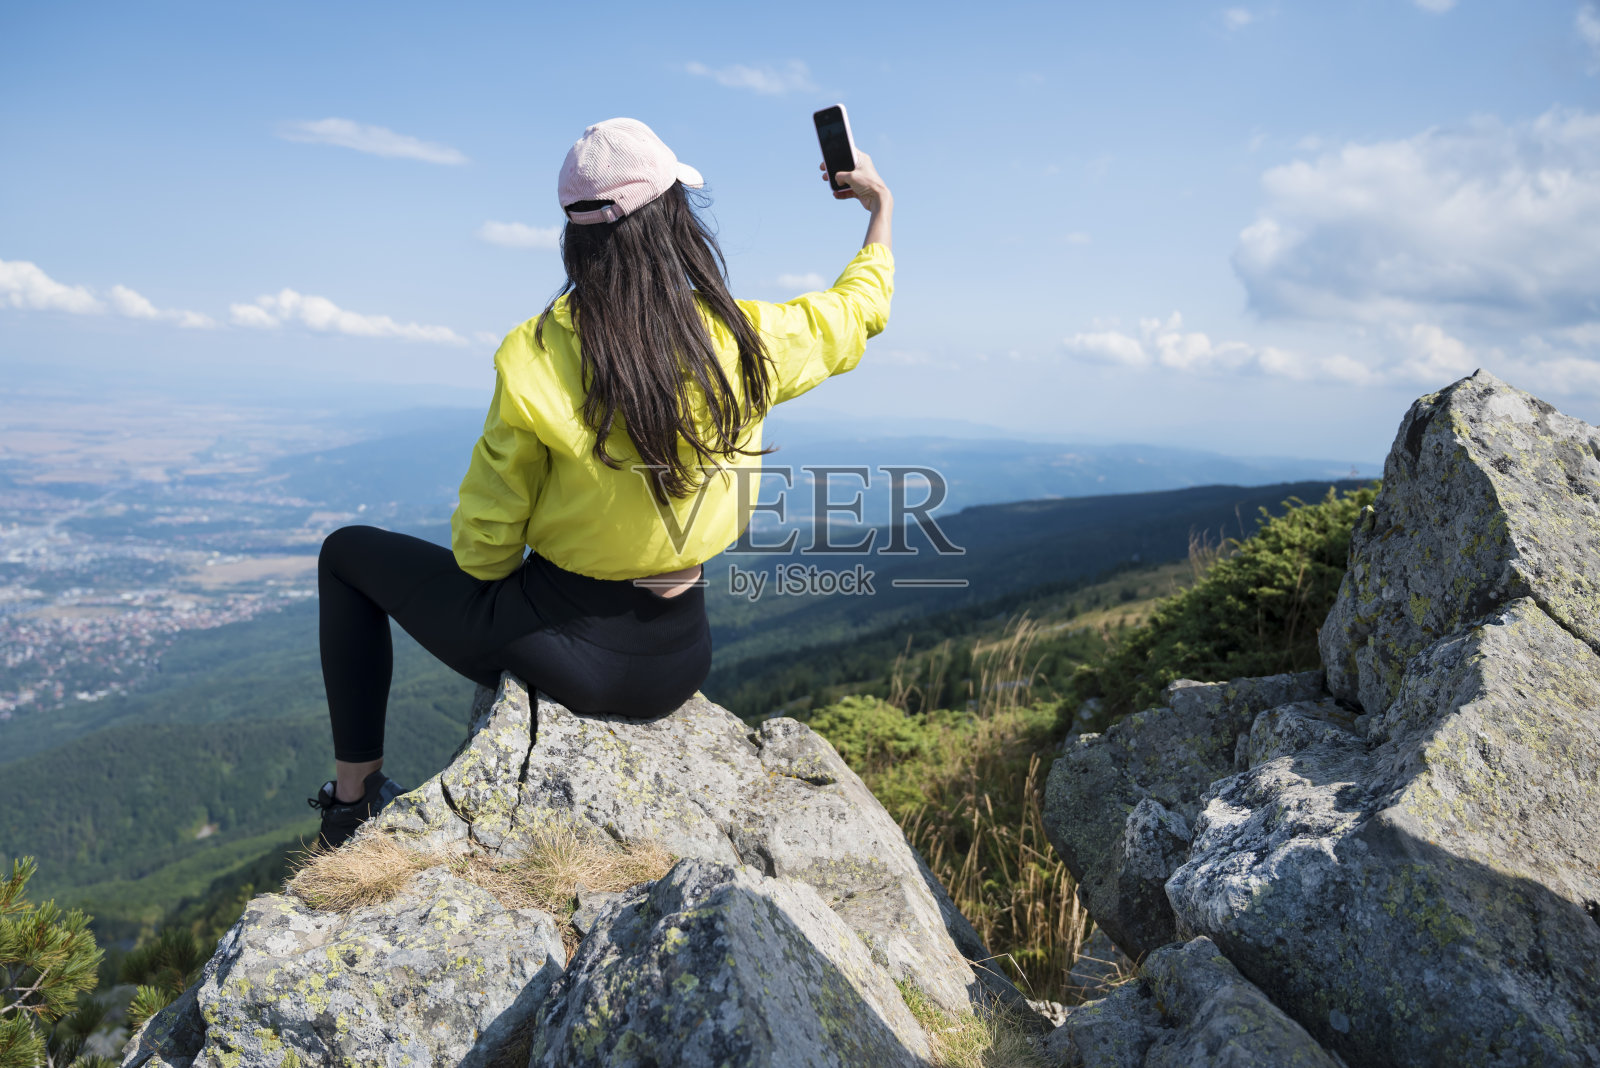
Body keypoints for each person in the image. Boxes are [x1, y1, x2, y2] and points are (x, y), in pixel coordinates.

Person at [308, 117, 895, 848]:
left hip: (564, 649)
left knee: (346, 553)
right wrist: (880, 210)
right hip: (682, 655)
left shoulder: (537, 353)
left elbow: (485, 548)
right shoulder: (745, 338)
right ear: (673, 219)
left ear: (575, 234)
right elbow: (858, 310)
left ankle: (352, 798)